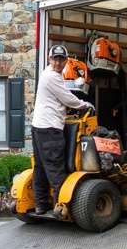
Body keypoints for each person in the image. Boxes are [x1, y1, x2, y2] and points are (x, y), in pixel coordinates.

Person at [30, 44, 94, 216]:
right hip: (50, 128)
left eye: (61, 59)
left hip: (39, 127)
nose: (58, 63)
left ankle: (41, 205)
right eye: (55, 59)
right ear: (50, 59)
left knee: (41, 167)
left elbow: (60, 96)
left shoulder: (48, 74)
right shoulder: (52, 77)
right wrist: (84, 105)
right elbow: (66, 97)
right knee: (56, 167)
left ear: (66, 61)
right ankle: (61, 206)